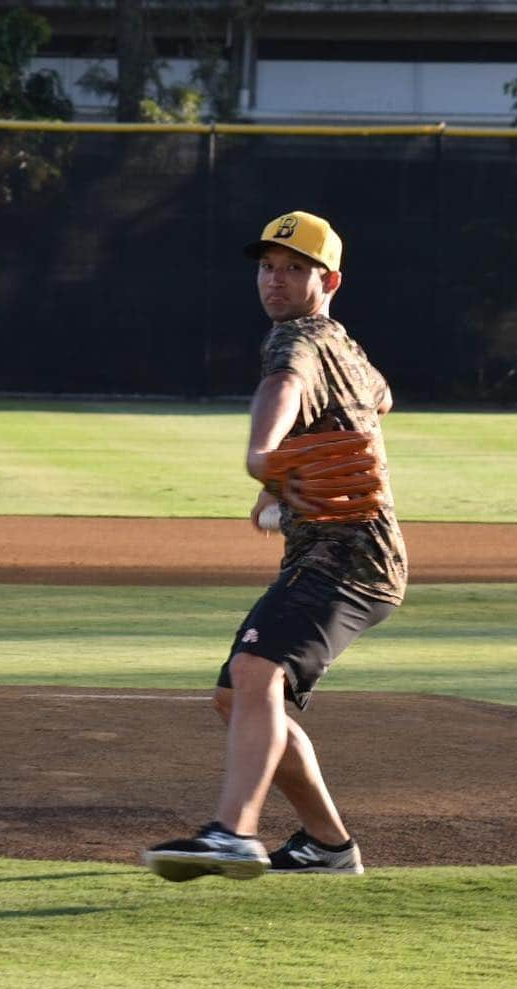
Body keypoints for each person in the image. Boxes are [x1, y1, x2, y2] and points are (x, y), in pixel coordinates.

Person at [143, 210, 408, 881]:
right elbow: (380, 396)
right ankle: (327, 845)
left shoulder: (295, 342)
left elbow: (282, 386)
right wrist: (288, 480)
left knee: (259, 672)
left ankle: (234, 833)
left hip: (349, 555)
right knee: (238, 695)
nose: (276, 280)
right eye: (267, 266)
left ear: (330, 280)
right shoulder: (344, 344)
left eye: (296, 268)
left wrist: (266, 453)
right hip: (344, 554)